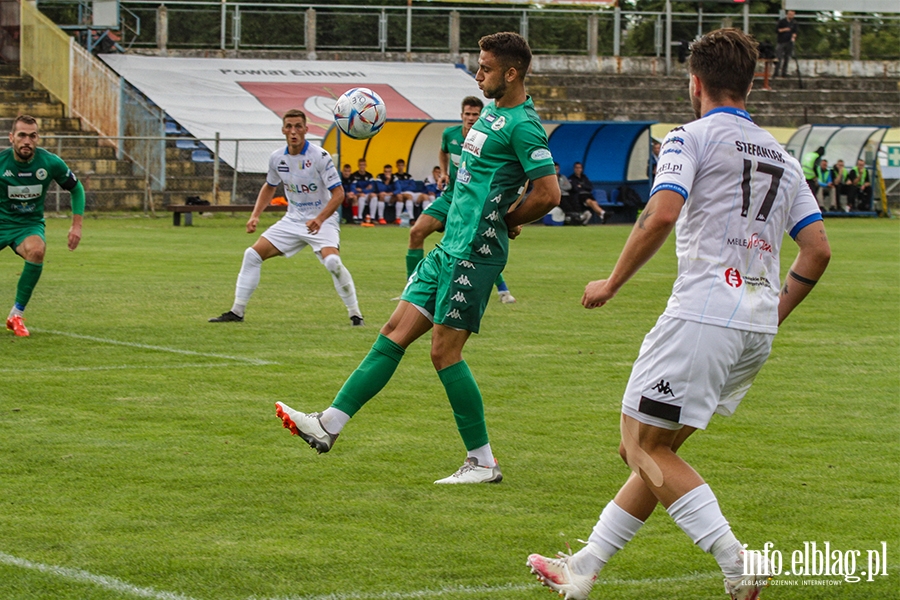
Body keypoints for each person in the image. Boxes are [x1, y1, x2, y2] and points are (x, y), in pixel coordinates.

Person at [526, 28, 830, 600]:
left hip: (703, 314)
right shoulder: (783, 157)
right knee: (654, 448)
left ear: (695, 83)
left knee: (640, 446)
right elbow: (817, 250)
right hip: (754, 325)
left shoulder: (688, 138)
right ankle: (585, 566)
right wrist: (767, 313)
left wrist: (611, 282)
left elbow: (663, 214)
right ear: (749, 84)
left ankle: (735, 559)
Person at [274, 32, 560, 484]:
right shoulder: (487, 116)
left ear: (512, 73)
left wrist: (506, 220)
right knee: (392, 331)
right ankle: (329, 423)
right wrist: (474, 211)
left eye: (485, 68)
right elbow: (480, 182)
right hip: (448, 247)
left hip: (474, 253)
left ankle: (483, 462)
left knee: (444, 352)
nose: (478, 74)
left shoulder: (525, 125)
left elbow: (548, 192)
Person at [209, 109, 364, 327]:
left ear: (306, 130)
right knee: (252, 255)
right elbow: (269, 187)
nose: (293, 131)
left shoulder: (320, 157)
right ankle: (237, 311)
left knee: (332, 262)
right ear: (283, 130)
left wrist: (319, 219)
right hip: (292, 220)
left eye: (298, 126)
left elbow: (339, 194)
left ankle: (355, 314)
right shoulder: (277, 158)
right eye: (289, 127)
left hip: (322, 221)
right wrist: (255, 216)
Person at [404, 95, 517, 305]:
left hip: (471, 203)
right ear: (461, 115)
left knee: (472, 247)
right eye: (468, 114)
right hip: (450, 197)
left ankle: (503, 290)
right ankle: (410, 288)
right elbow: (443, 150)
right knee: (416, 232)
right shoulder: (450, 134)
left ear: (482, 115)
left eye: (475, 114)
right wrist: (445, 173)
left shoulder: (488, 139)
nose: (471, 118)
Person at [2, 114, 85, 337]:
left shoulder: (49, 162)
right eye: (22, 135)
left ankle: (16, 315)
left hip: (28, 225)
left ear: (37, 138)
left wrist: (76, 226)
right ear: (12, 138)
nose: (27, 141)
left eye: (32, 135)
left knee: (37, 250)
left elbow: (76, 189)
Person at [350, 159, 377, 226]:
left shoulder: (369, 175)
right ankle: (360, 217)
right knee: (362, 196)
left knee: (374, 196)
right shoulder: (354, 175)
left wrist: (362, 190)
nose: (362, 166)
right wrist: (364, 189)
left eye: (363, 165)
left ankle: (372, 218)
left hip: (366, 194)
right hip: (359, 194)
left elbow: (372, 188)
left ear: (366, 165)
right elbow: (353, 188)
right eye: (360, 165)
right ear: (358, 165)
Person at [394, 159, 420, 223]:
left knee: (425, 197)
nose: (400, 167)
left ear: (404, 166)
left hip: (410, 192)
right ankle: (411, 218)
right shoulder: (394, 176)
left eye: (402, 165)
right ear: (396, 166)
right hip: (401, 192)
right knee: (409, 196)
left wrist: (403, 186)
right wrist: (407, 186)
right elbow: (398, 187)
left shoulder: (409, 176)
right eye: (399, 165)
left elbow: (414, 187)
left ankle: (425, 218)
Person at [774, 10, 798, 78]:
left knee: (787, 57)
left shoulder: (794, 23)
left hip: (789, 42)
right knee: (778, 57)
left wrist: (793, 37)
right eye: (790, 14)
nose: (791, 16)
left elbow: (795, 32)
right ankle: (776, 72)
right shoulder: (782, 21)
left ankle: (784, 73)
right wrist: (784, 29)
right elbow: (777, 30)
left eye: (792, 15)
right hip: (781, 41)